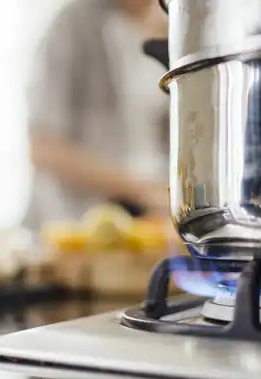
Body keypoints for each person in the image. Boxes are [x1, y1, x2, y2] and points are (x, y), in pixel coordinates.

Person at [24, 0, 170, 230]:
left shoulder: (173, 27)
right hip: (74, 222)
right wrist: (142, 190)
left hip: (151, 224)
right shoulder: (72, 26)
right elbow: (43, 148)